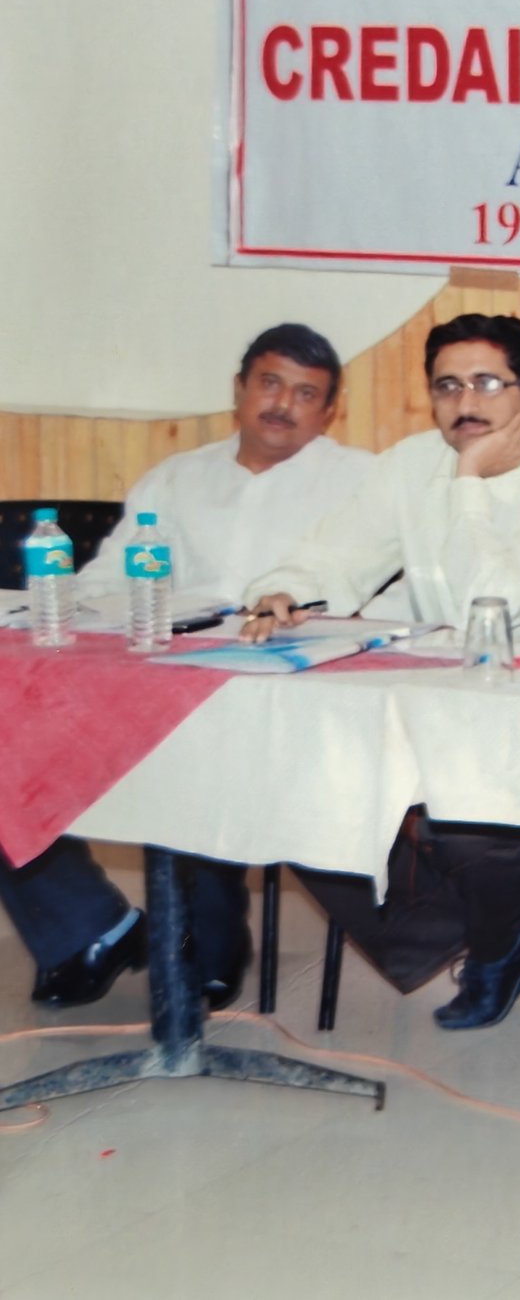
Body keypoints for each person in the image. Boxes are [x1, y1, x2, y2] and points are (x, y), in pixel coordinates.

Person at [244, 313, 520, 1030]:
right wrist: (286, 588)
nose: (465, 403)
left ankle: (496, 936)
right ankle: (489, 932)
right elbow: (337, 554)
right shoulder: (411, 463)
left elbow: (491, 604)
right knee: (293, 782)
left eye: (487, 384)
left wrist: (469, 479)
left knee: (470, 819)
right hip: (442, 690)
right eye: (448, 386)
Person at [0, 323, 371, 1010]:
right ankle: (88, 928)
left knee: (201, 752)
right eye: (269, 383)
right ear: (239, 388)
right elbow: (109, 578)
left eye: (305, 393)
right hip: (161, 677)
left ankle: (206, 943)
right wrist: (62, 604)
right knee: (8, 745)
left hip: (290, 690)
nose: (282, 404)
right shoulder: (177, 478)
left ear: (328, 411)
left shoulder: (362, 484)